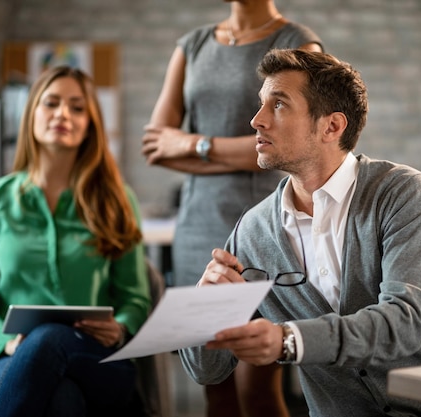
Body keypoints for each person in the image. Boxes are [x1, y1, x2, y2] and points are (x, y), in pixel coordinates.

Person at [180, 49, 421, 417]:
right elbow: (205, 371)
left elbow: (405, 322)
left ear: (331, 126)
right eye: (261, 105)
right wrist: (205, 308)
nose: (256, 121)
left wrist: (291, 340)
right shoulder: (253, 230)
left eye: (278, 105)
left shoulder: (402, 192)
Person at [141, 1, 322, 416]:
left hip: (265, 230)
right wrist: (241, 153)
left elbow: (297, 142)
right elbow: (156, 147)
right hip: (197, 231)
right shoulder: (193, 45)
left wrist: (194, 145)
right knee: (214, 385)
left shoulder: (298, 43)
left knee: (257, 389)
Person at [0, 66, 151, 417]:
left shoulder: (117, 200)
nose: (64, 113)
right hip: (10, 356)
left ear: (90, 123)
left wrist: (120, 325)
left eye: (77, 107)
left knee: (47, 339)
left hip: (96, 359)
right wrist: (5, 342)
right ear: (32, 113)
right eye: (52, 103)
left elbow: (135, 297)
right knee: (62, 400)